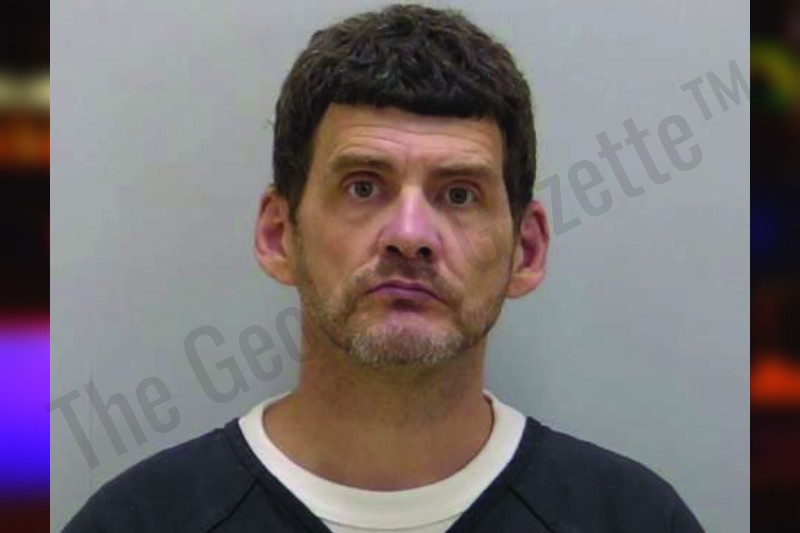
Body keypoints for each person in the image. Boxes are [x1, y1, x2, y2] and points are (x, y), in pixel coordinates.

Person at [64, 4, 705, 532]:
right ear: (279, 234)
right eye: (364, 187)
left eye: (460, 194)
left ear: (527, 251)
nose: (409, 236)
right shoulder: (136, 521)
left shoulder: (635, 519)